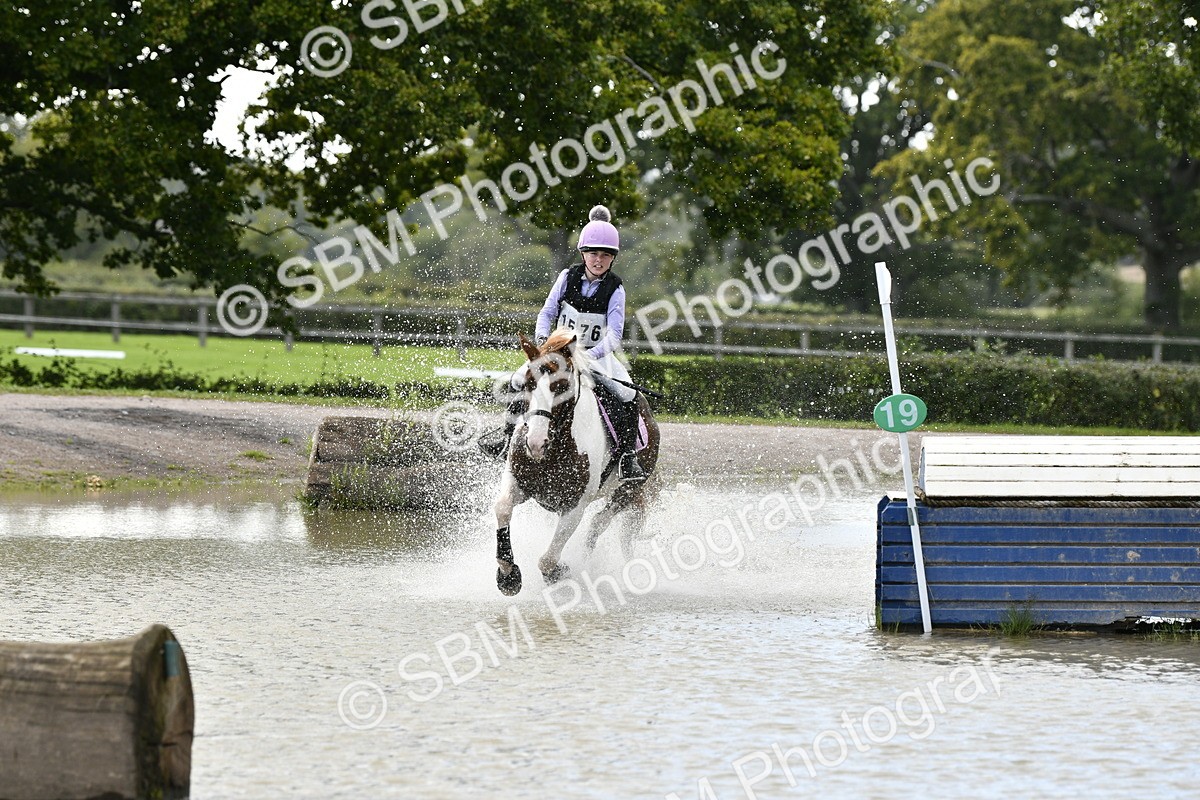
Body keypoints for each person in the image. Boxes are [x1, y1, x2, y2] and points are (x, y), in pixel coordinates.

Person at [481, 205, 647, 483]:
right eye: (593, 253)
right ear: (583, 254)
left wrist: (587, 357)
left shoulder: (616, 289)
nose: (598, 259)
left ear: (612, 258)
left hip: (596, 356)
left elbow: (614, 336)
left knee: (628, 396)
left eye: (605, 255)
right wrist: (543, 342)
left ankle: (628, 457)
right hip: (556, 353)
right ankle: (506, 435)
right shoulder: (566, 277)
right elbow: (546, 313)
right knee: (519, 378)